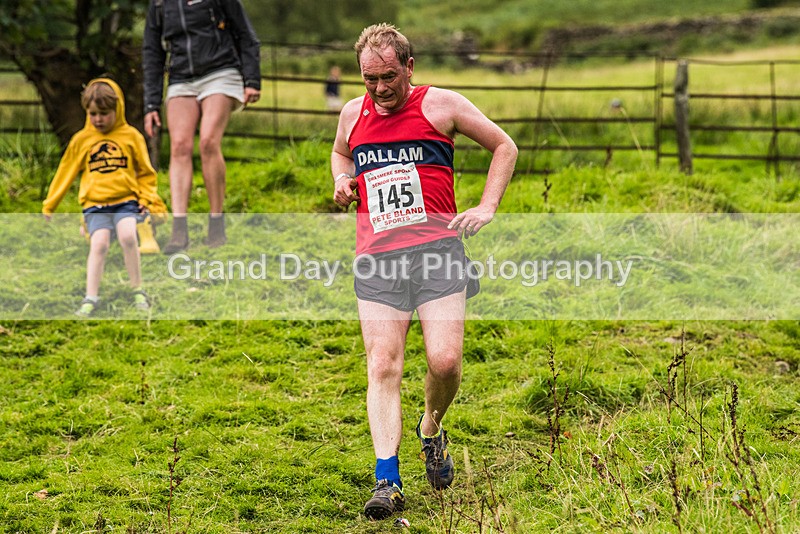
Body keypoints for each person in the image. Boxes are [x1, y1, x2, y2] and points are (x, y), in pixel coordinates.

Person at [331, 23, 518, 520]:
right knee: (383, 364)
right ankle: (386, 481)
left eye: (388, 77)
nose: (379, 89)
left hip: (437, 254)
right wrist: (342, 180)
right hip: (377, 258)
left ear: (409, 67)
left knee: (445, 363)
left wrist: (487, 206)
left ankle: (430, 428)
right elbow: (340, 153)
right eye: (369, 78)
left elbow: (505, 146)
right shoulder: (353, 113)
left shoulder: (442, 106)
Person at [142, 0, 262, 252]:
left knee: (208, 141)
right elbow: (152, 52)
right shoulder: (160, 4)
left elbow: (246, 34)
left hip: (221, 71)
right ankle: (179, 230)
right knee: (179, 146)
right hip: (181, 77)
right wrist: (151, 104)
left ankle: (216, 223)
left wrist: (251, 78)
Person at [43, 79, 164, 317]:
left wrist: (147, 198)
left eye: (104, 113)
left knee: (129, 237)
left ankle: (137, 289)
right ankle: (91, 297)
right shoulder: (82, 140)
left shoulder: (131, 136)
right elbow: (65, 171)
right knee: (99, 245)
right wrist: (50, 204)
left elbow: (145, 172)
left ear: (117, 110)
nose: (98, 119)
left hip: (125, 201)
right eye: (93, 113)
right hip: (95, 206)